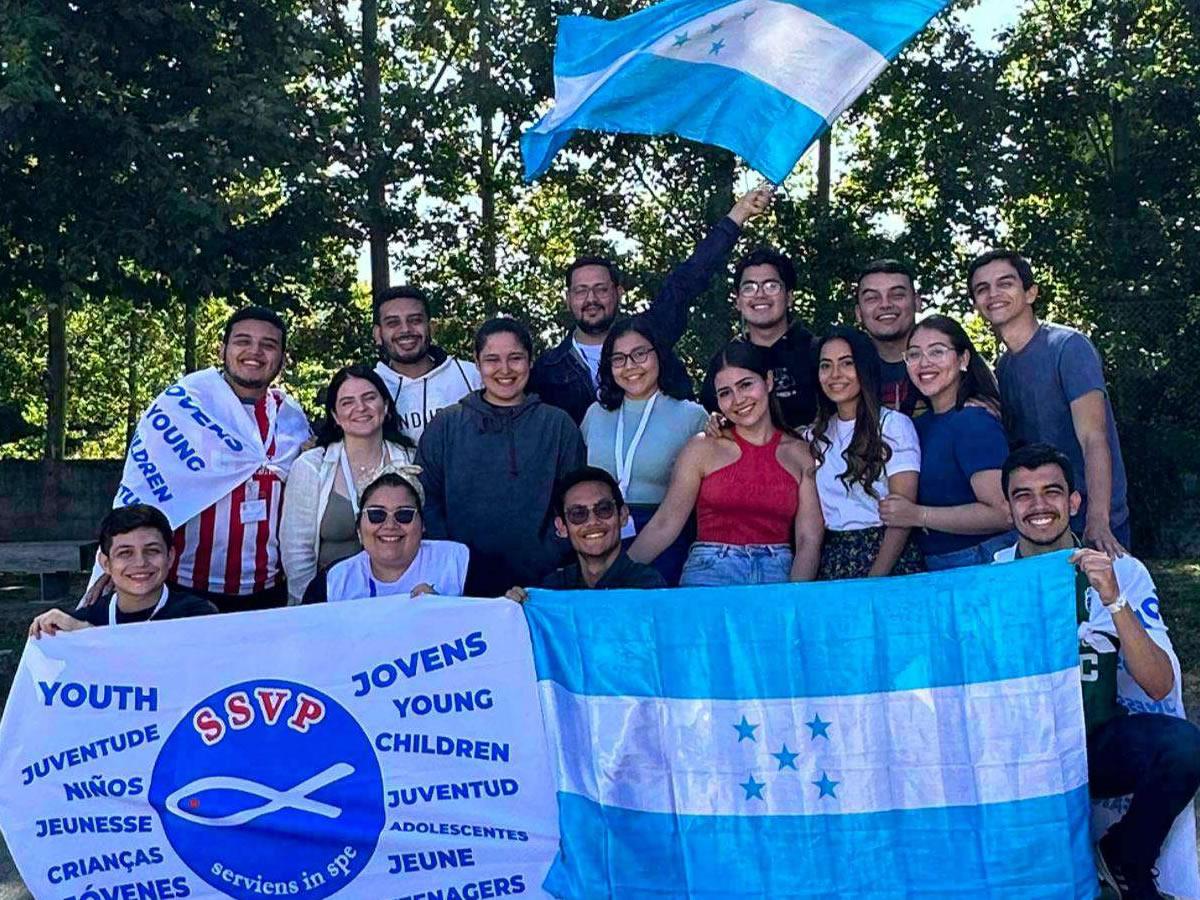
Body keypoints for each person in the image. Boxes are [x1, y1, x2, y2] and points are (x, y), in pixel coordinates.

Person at [996, 444, 1200, 899]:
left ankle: (1130, 854)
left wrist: (1113, 599)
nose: (1039, 505)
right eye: (1023, 495)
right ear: (1008, 508)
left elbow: (1159, 683)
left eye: (1052, 492)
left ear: (1074, 502)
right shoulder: (991, 578)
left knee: (1184, 746)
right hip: (1024, 752)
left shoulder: (1122, 571)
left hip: (1095, 741)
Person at [87, 306, 311, 614]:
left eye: (268, 345)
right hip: (185, 590)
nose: (254, 352)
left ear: (282, 360)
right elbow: (141, 492)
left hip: (267, 591)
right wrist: (111, 564)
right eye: (242, 341)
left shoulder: (292, 418)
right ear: (222, 350)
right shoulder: (182, 407)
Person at [531, 187, 772, 424]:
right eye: (581, 291)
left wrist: (738, 215)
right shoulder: (548, 370)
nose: (591, 299)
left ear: (619, 292)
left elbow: (687, 279)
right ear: (568, 298)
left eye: (601, 289)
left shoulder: (651, 332)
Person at [969, 249, 1129, 556]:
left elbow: (1094, 437)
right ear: (976, 304)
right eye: (982, 288)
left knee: (1108, 603)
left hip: (1091, 522)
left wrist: (1099, 519)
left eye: (1005, 283)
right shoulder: (1003, 367)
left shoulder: (1068, 347)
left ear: (1030, 292)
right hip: (1041, 523)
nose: (994, 294)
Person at [629, 340, 823, 585]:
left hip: (778, 574)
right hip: (710, 571)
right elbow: (666, 523)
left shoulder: (801, 453)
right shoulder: (702, 448)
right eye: (725, 393)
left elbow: (808, 539)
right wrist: (613, 578)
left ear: (769, 381)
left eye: (746, 385)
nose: (738, 399)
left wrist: (794, 596)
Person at [417, 318, 586, 596]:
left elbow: (575, 502)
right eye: (492, 359)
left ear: (530, 361)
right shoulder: (446, 426)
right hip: (459, 587)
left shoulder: (558, 426)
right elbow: (427, 502)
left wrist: (548, 557)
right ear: (477, 362)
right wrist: (454, 566)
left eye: (515, 358)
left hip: (542, 586)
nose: (505, 370)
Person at [580, 316, 708, 584]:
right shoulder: (595, 414)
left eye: (639, 354)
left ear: (658, 355)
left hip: (664, 542)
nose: (630, 366)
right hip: (599, 536)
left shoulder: (691, 416)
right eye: (619, 359)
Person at [880, 315, 1011, 570]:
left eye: (937, 352)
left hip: (982, 563)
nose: (924, 363)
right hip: (937, 566)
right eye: (914, 354)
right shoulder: (918, 426)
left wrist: (918, 515)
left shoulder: (974, 421)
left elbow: (1003, 513)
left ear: (963, 360)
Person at [280, 365, 416, 603]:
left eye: (369, 398)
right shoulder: (311, 467)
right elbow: (296, 552)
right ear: (334, 416)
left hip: (400, 600)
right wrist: (310, 607)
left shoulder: (412, 460)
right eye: (347, 402)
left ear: (385, 406)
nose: (360, 408)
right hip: (331, 602)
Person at [808, 328, 922, 579]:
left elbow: (903, 512)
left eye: (847, 363)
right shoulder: (815, 437)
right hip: (833, 559)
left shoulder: (893, 426)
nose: (835, 375)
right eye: (826, 366)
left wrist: (875, 579)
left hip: (887, 558)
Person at [31, 506, 215, 636]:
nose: (140, 562)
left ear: (170, 557)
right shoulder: (81, 621)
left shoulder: (199, 616)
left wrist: (89, 636)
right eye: (125, 553)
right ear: (106, 563)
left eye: (152, 550)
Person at [302, 468, 468, 602]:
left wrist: (447, 613)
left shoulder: (459, 563)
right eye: (376, 514)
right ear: (359, 526)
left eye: (404, 514)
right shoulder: (334, 582)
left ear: (423, 524)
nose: (390, 525)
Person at [506, 467, 666, 601]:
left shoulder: (647, 586)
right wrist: (513, 612)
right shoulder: (553, 588)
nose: (592, 521)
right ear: (561, 527)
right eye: (578, 513)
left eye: (603, 509)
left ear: (623, 516)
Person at [371, 285, 481, 443]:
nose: (405, 330)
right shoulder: (368, 389)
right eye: (393, 323)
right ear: (378, 334)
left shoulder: (471, 376)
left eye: (415, 320)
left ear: (430, 327)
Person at [730, 247, 818, 430]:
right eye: (749, 288)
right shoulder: (727, 362)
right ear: (738, 301)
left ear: (789, 297)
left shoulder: (819, 354)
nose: (760, 294)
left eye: (771, 286)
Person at [854, 258, 924, 415]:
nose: (885, 305)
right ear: (859, 313)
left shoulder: (949, 363)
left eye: (897, 295)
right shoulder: (847, 372)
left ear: (917, 302)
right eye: (872, 298)